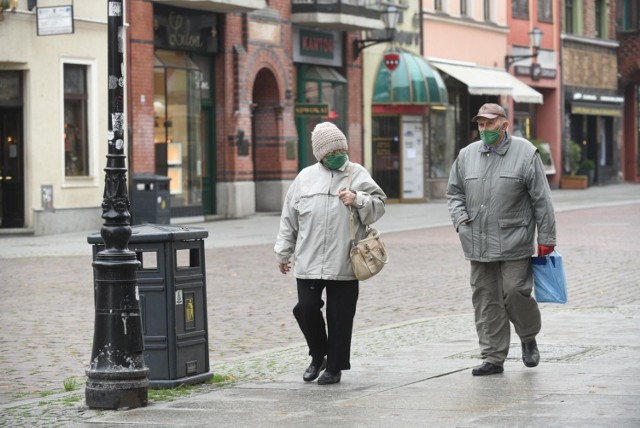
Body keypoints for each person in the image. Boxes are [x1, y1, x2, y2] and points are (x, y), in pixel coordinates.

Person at [446, 103, 557, 376]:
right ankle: (493, 357)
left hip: (514, 239)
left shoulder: (526, 153)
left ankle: (528, 337)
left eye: (490, 124)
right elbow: (454, 193)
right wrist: (460, 221)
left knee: (515, 292)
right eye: (481, 125)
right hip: (478, 241)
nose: (484, 129)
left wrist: (547, 237)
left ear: (504, 124)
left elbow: (541, 199)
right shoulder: (466, 155)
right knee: (486, 299)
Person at [275, 122, 386, 385]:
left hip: (345, 259)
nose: (338, 155)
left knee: (340, 316)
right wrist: (283, 253)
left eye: (341, 149)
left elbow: (379, 207)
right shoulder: (304, 177)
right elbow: (289, 218)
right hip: (309, 258)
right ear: (320, 154)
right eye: (331, 151)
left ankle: (334, 367)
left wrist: (358, 199)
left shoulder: (357, 173)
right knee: (306, 308)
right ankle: (318, 356)